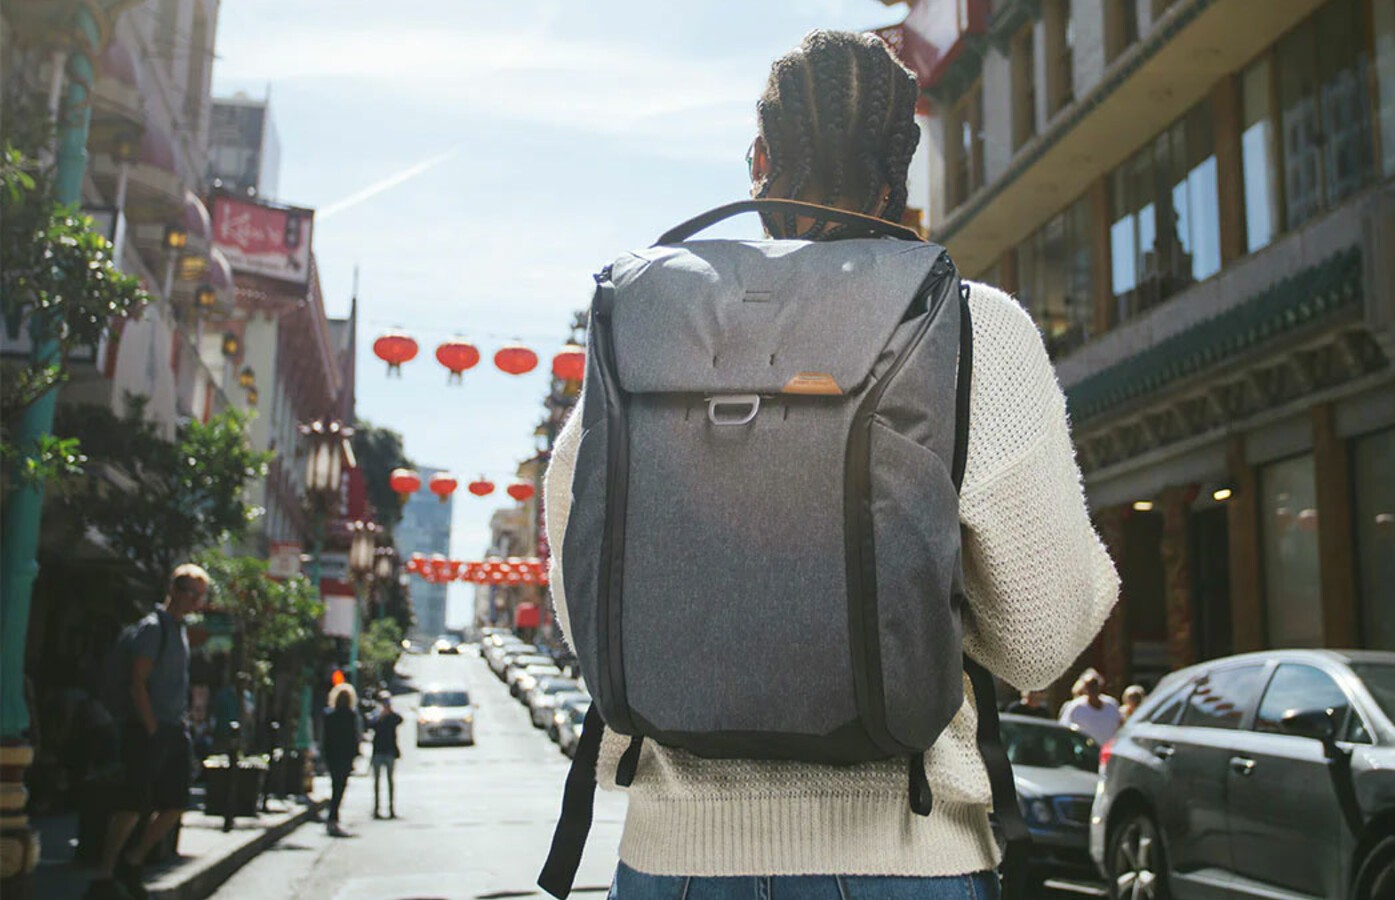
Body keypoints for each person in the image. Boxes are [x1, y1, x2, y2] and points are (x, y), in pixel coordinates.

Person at [543, 29, 1120, 899]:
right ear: (903, 169)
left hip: (675, 863)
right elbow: (1042, 641)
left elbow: (577, 566)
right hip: (904, 858)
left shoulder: (650, 319)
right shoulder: (972, 324)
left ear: (760, 161)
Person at [85, 564, 209, 900]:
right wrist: (151, 726)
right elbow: (137, 682)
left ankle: (133, 859)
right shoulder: (155, 629)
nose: (197, 601)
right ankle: (105, 872)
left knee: (176, 802)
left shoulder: (179, 629)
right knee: (132, 803)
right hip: (148, 728)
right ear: (176, 590)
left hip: (173, 728)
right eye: (193, 593)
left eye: (201, 595)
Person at [321, 683, 361, 836]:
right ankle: (333, 817)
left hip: (332, 756)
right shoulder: (351, 715)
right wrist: (355, 755)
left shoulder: (329, 716)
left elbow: (325, 738)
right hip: (344, 756)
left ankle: (332, 817)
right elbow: (353, 737)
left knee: (335, 785)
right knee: (340, 787)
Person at [1058, 669, 1122, 746]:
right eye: (1089, 686)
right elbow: (1065, 728)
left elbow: (1120, 727)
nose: (1092, 689)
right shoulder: (1075, 707)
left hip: (1108, 752)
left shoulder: (1112, 705)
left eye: (1094, 685)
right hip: (1086, 753)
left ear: (1100, 686)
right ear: (1084, 688)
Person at [366, 691, 402, 819]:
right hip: (378, 752)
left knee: (390, 781)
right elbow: (371, 725)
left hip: (390, 751)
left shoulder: (392, 716)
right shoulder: (376, 715)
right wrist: (381, 715)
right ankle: (376, 808)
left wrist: (390, 712)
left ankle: (391, 808)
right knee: (376, 782)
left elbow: (399, 720)